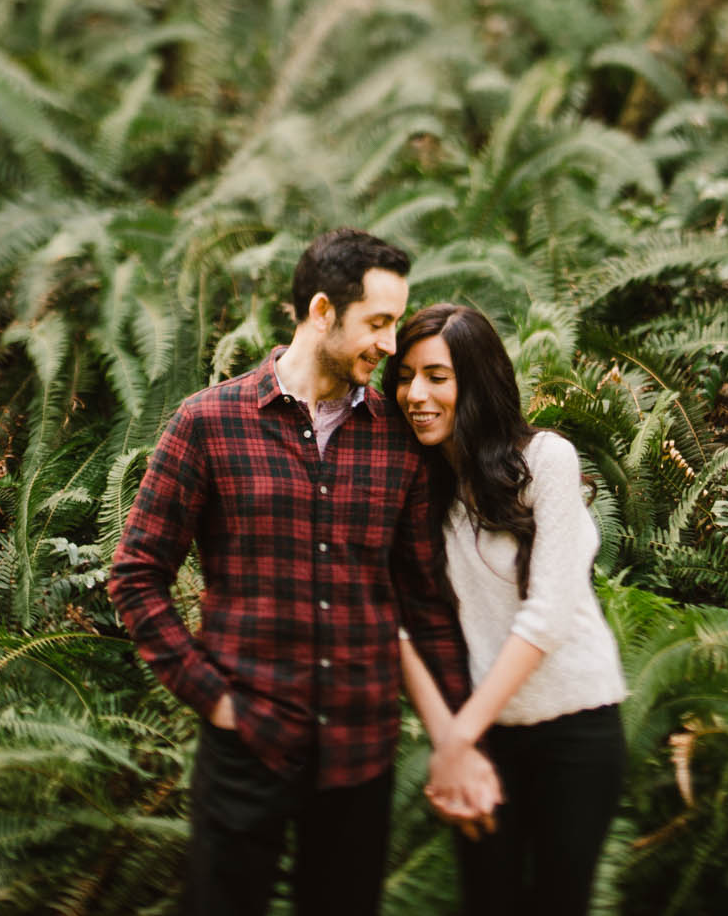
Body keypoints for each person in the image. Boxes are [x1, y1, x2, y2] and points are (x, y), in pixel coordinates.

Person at [108, 229, 481, 916]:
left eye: (395, 322)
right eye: (378, 322)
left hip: (360, 755)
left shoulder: (398, 438)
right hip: (246, 743)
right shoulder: (208, 421)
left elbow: (425, 600)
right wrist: (215, 699)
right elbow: (135, 574)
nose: (391, 344)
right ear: (320, 311)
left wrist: (461, 737)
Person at [389, 303, 628, 916]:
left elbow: (547, 615)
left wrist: (456, 739)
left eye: (437, 376)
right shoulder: (418, 487)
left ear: (476, 379)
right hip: (483, 735)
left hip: (574, 724)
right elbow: (399, 625)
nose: (416, 393)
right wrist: (454, 743)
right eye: (406, 375)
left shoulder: (545, 461)